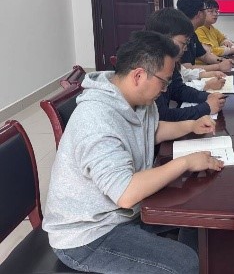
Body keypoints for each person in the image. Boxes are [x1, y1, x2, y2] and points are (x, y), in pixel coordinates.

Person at [43, 31, 224, 274]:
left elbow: (151, 130)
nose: (165, 89)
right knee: (185, 263)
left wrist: (191, 126)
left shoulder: (135, 99)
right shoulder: (96, 120)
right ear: (138, 75)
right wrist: (186, 162)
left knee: (197, 218)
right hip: (88, 235)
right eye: (164, 81)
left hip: (124, 214)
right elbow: (126, 193)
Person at [145, 8, 226, 121]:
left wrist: (207, 96)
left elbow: (178, 90)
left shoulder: (169, 61)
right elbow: (162, 116)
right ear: (165, 38)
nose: (186, 48)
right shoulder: (148, 67)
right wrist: (205, 108)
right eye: (183, 43)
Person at [176, 0, 234, 83]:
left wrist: (222, 60)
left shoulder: (192, 33)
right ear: (199, 13)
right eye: (206, 10)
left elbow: (204, 55)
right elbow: (187, 68)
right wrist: (218, 67)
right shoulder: (181, 35)